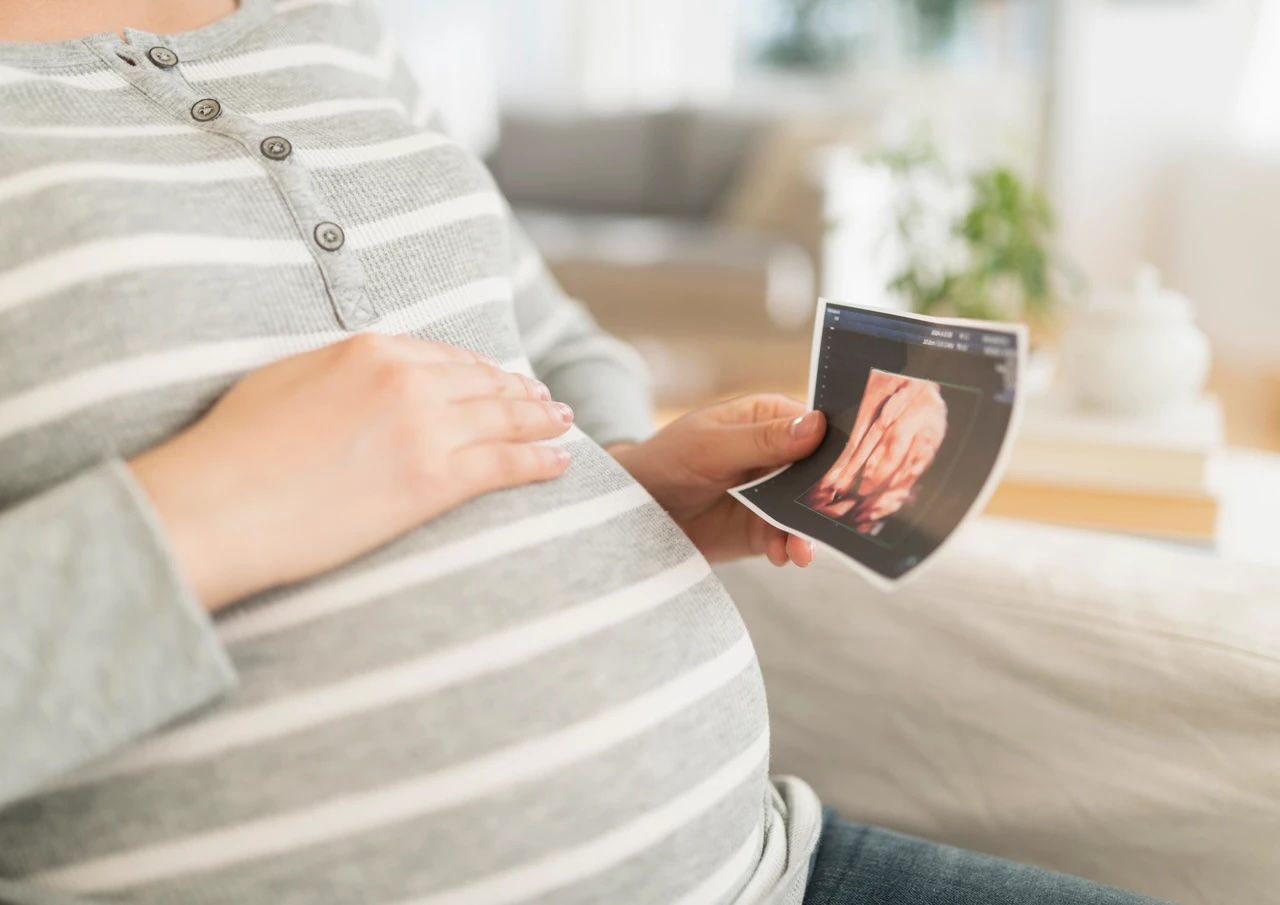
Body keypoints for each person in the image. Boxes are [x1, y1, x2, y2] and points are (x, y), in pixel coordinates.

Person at [0, 2, 1167, 904]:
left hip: (761, 864)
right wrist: (205, 515)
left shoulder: (330, 27)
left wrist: (613, 469)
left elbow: (546, 329)